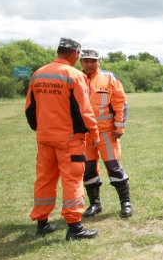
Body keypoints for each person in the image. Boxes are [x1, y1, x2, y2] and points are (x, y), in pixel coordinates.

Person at [25, 37, 100, 240]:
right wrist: (94, 133)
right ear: (75, 53)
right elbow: (84, 110)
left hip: (44, 137)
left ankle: (42, 223)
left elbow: (29, 108)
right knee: (72, 180)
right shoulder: (74, 75)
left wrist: (41, 129)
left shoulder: (38, 74)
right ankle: (75, 227)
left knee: (44, 179)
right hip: (69, 139)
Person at [79, 49, 133, 218]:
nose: (89, 64)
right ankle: (95, 204)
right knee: (88, 170)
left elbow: (120, 104)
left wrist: (119, 127)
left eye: (93, 61)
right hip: (84, 134)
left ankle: (125, 203)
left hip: (106, 133)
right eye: (86, 61)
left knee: (114, 167)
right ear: (81, 62)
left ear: (99, 62)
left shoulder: (109, 78)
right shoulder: (75, 78)